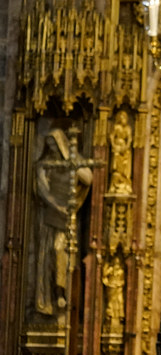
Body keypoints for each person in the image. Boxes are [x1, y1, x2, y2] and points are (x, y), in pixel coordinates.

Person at [35, 128, 93, 316]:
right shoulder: (45, 165)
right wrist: (56, 206)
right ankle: (52, 296)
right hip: (51, 218)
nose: (52, 149)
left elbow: (89, 178)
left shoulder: (71, 162)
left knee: (61, 251)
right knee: (50, 253)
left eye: (55, 145)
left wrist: (72, 161)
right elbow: (43, 190)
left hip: (68, 219)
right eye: (49, 145)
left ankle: (63, 293)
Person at [108, 110, 133, 194]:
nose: (124, 120)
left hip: (124, 149)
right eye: (122, 118)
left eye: (125, 118)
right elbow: (111, 136)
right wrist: (114, 146)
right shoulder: (116, 127)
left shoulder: (128, 129)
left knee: (126, 160)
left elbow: (129, 139)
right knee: (116, 161)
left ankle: (125, 182)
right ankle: (115, 184)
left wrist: (126, 147)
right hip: (117, 148)